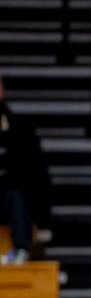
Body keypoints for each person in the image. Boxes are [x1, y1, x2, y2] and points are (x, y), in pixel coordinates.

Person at [0, 75, 50, 264]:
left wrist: (43, 220)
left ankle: (21, 249)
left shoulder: (18, 127)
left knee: (17, 195)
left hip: (7, 193)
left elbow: (36, 171)